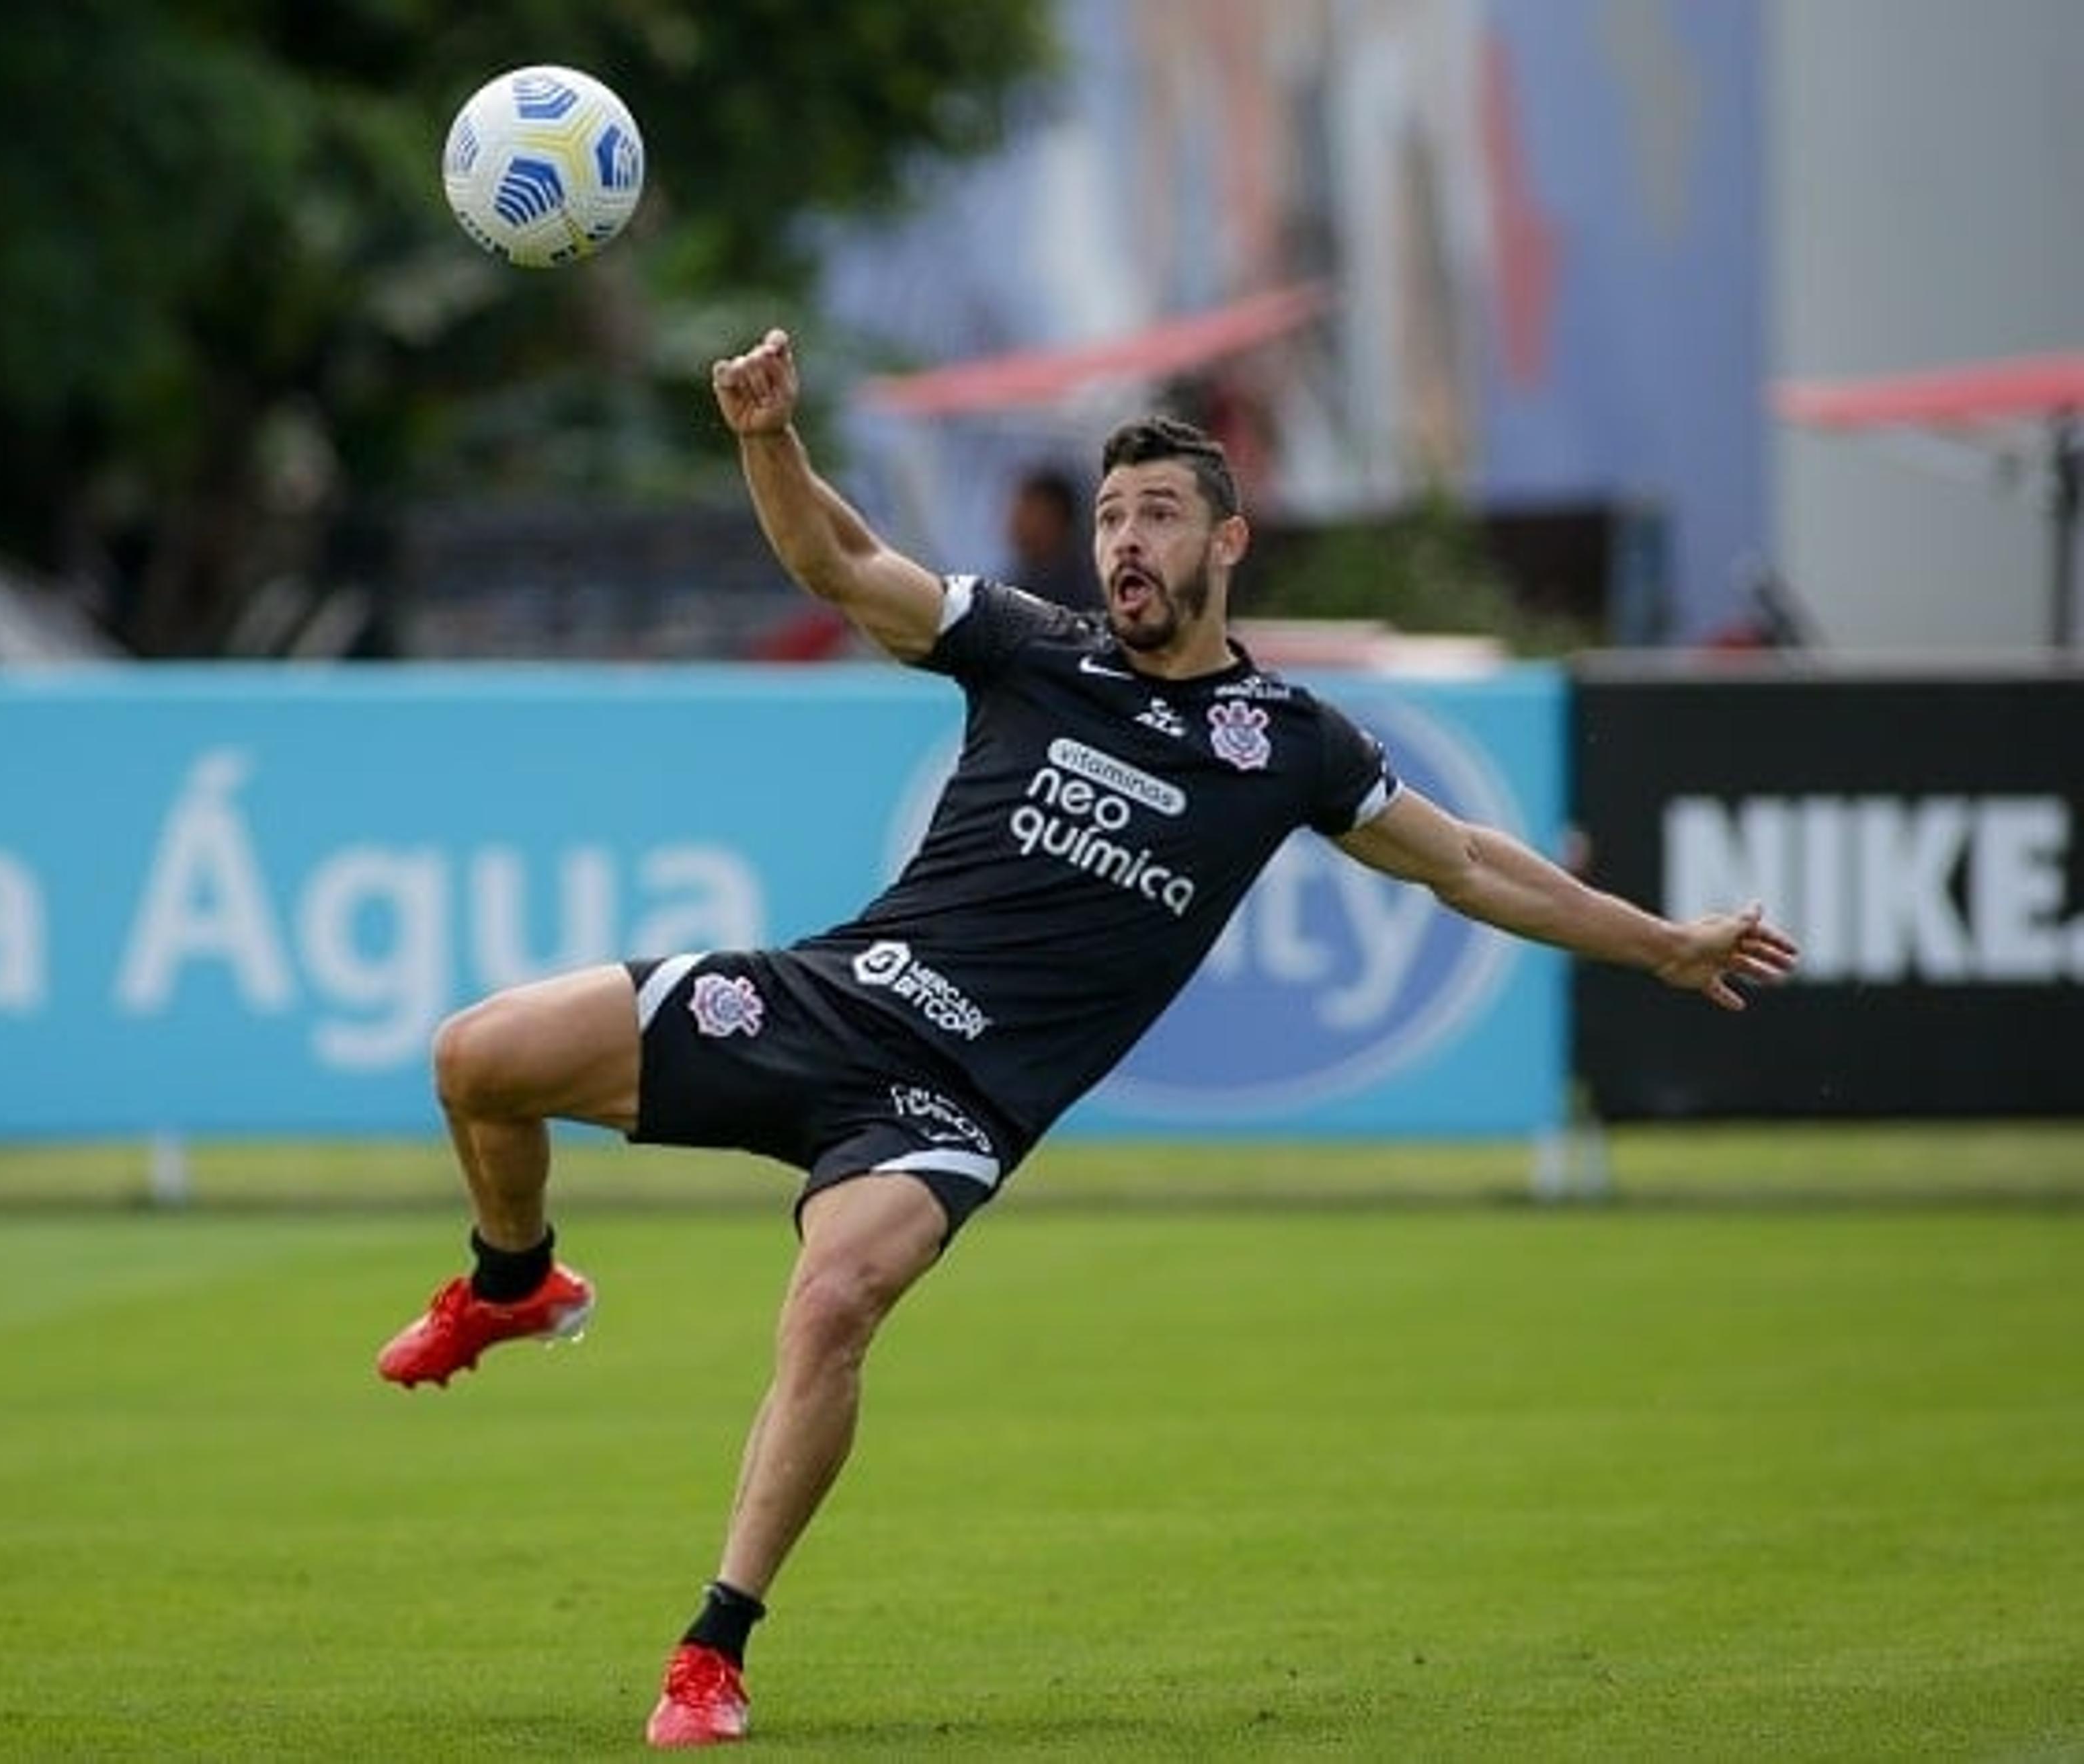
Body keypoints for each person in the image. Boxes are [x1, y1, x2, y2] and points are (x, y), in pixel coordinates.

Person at [375, 326, 1799, 1749]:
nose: (1125, 539)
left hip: (949, 1102)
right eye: (1112, 514)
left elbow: (1472, 865)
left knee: (831, 1304)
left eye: (1158, 514)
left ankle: (712, 1645)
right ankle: (515, 1279)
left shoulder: (1285, 744)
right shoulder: (1030, 648)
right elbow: (837, 562)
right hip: (828, 997)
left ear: (1227, 542)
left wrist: (1661, 941)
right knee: (475, 1059)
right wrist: (766, 437)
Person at [1001, 460, 1100, 612]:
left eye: (1032, 513)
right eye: (1019, 510)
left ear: (1059, 520)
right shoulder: (1021, 581)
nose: (1018, 522)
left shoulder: (1074, 591)